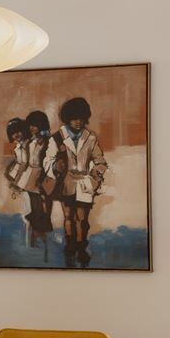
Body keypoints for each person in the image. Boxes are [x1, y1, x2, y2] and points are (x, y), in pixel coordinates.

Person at [43, 96, 108, 267]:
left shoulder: (91, 138)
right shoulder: (57, 138)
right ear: (67, 118)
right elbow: (47, 161)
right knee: (68, 216)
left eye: (81, 118)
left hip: (86, 183)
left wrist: (96, 173)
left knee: (83, 219)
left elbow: (100, 161)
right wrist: (56, 166)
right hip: (66, 182)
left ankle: (81, 246)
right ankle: (70, 244)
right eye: (74, 118)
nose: (78, 122)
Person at [20, 109, 54, 249]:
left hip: (42, 174)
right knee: (34, 205)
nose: (32, 128)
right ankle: (36, 232)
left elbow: (47, 159)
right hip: (30, 174)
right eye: (30, 125)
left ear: (41, 125)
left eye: (35, 125)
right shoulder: (30, 142)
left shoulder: (47, 141)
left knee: (43, 204)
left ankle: (41, 232)